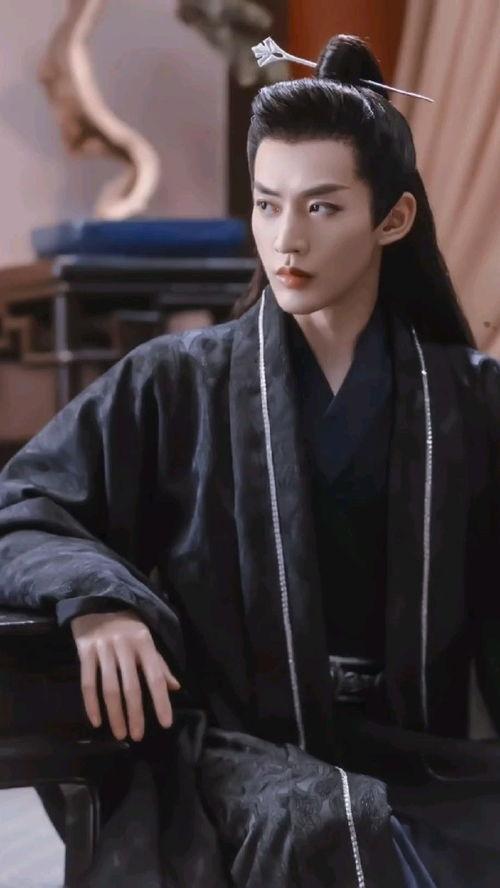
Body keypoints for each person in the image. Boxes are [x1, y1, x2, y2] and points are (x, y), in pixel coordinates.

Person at [1, 32, 500, 887]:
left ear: (393, 219)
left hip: (419, 754)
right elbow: (28, 504)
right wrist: (101, 600)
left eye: (322, 208)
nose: (286, 240)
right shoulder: (176, 381)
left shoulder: (470, 396)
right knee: (328, 821)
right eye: (268, 205)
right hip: (237, 756)